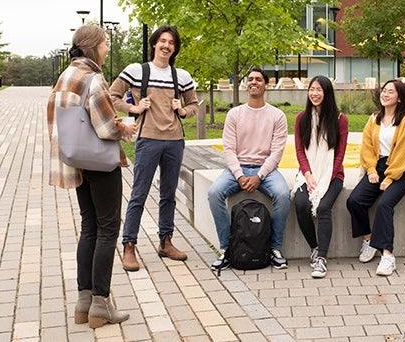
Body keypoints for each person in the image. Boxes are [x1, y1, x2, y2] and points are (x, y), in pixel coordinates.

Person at [47, 25, 135, 328]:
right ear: (93, 46)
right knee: (108, 229)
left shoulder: (65, 75)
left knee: (89, 227)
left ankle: (83, 302)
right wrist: (125, 127)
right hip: (100, 162)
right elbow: (106, 127)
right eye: (106, 43)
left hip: (76, 160)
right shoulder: (93, 78)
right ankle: (101, 304)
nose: (108, 48)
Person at [109, 25, 200, 271]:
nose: (166, 45)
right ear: (154, 44)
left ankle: (165, 241)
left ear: (175, 48)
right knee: (139, 194)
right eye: (162, 40)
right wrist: (134, 109)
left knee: (168, 195)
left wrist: (182, 110)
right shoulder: (136, 71)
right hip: (148, 139)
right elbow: (112, 96)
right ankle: (129, 245)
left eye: (171, 42)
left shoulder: (181, 76)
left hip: (175, 141)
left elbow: (194, 105)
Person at [208, 68, 290, 271]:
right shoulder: (234, 114)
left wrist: (260, 176)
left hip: (266, 171)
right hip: (238, 168)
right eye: (250, 79)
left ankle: (274, 249)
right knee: (214, 192)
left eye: (258, 79)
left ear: (266, 85)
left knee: (283, 194)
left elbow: (276, 152)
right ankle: (227, 249)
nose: (254, 82)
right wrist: (239, 175)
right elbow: (229, 149)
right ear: (246, 85)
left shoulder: (277, 116)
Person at [346, 80, 405, 277]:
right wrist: (371, 170)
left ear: (399, 97)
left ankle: (387, 256)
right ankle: (368, 240)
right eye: (384, 91)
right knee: (354, 201)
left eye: (390, 92)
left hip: (400, 170)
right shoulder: (374, 119)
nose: (385, 94)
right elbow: (367, 147)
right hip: (377, 167)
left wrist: (390, 177)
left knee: (385, 204)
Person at [292, 76, 349, 278]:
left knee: (324, 206)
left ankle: (322, 260)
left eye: (319, 90)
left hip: (332, 175)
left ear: (327, 93)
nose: (314, 93)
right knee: (300, 204)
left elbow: (340, 153)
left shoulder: (340, 119)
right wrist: (308, 174)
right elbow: (299, 150)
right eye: (312, 89)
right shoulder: (302, 118)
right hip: (307, 174)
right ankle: (315, 248)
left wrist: (324, 180)